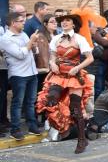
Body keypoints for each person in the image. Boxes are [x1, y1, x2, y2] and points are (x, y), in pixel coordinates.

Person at [36, 11, 94, 153]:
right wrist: (52, 64)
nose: (64, 22)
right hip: (59, 75)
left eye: (68, 20)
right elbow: (52, 57)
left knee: (76, 109)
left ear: (73, 23)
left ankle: (82, 140)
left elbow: (90, 58)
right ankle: (64, 126)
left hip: (75, 77)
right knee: (50, 100)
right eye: (62, 20)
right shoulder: (56, 38)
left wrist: (77, 68)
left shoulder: (80, 39)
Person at [0, 12, 40, 140]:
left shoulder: (23, 34)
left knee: (30, 102)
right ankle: (15, 129)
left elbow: (32, 52)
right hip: (18, 74)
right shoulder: (5, 39)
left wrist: (34, 46)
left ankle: (32, 126)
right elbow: (20, 54)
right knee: (18, 102)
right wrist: (31, 42)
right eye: (21, 21)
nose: (24, 23)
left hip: (32, 72)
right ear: (13, 23)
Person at [35, 14, 57, 94]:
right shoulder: (41, 36)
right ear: (45, 24)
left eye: (55, 22)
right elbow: (41, 54)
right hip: (45, 70)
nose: (55, 23)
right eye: (52, 22)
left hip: (55, 68)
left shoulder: (56, 36)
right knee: (42, 93)